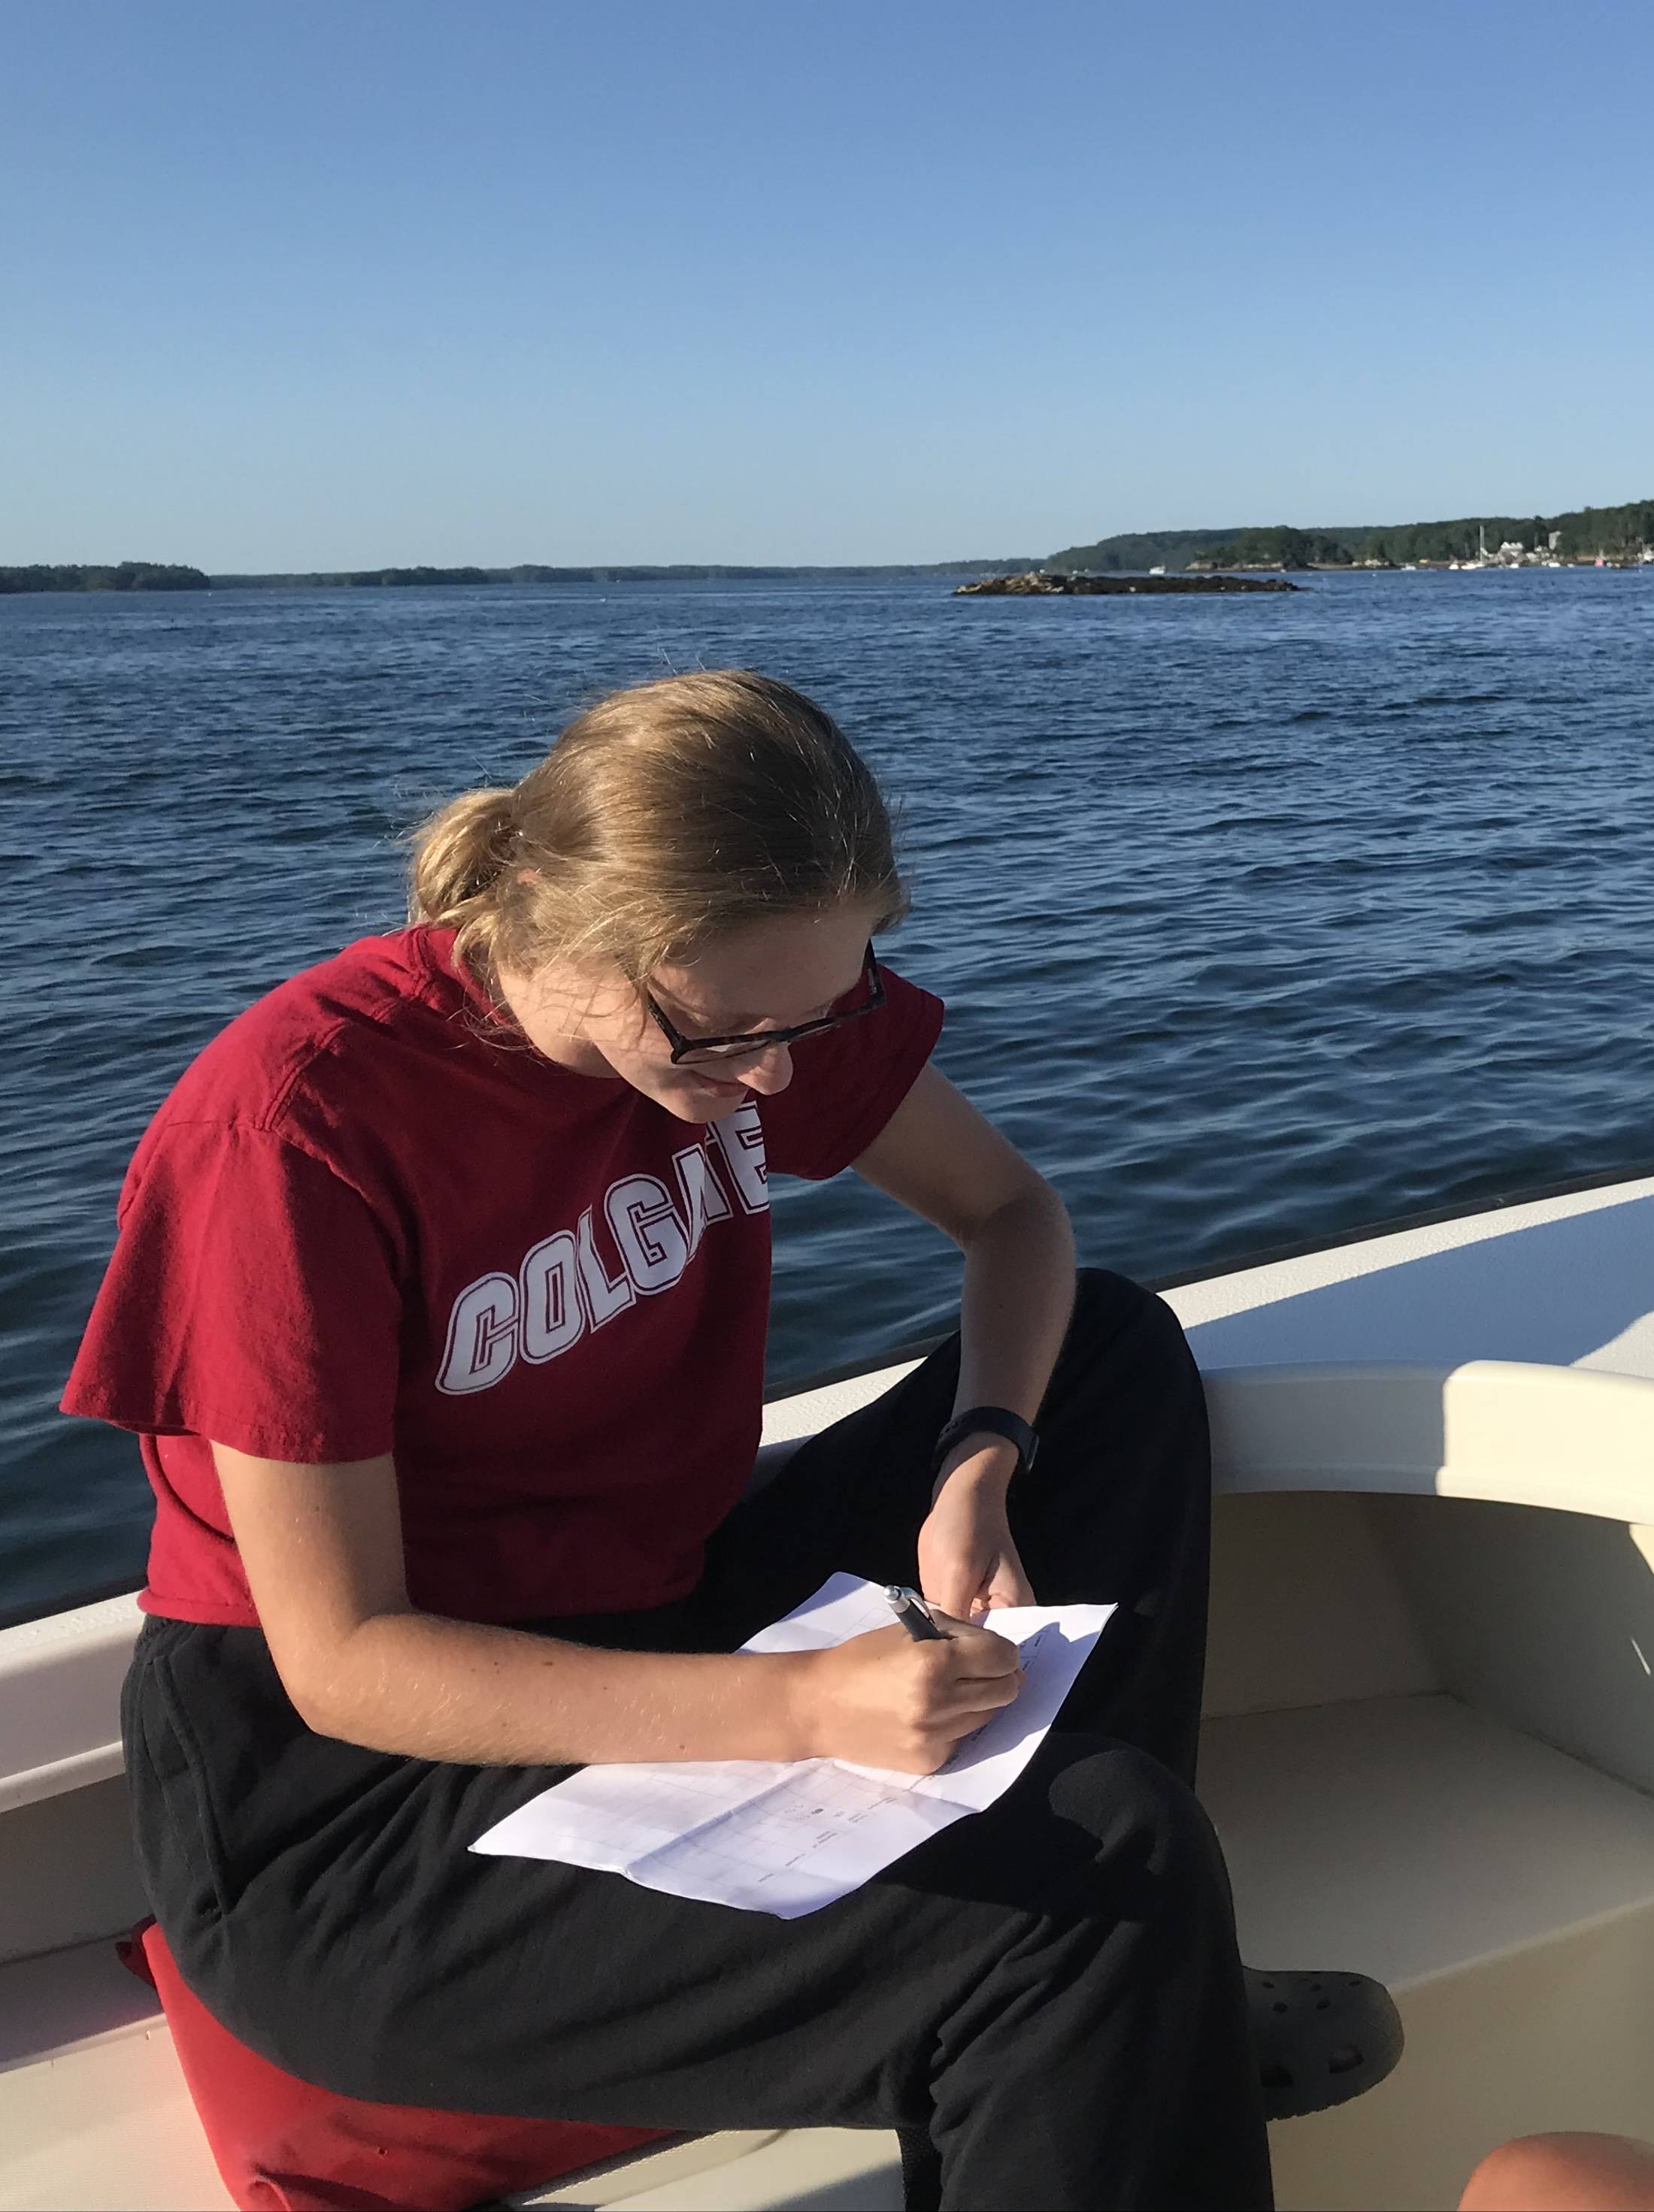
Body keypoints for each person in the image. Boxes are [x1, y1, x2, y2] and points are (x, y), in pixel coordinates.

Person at [62, 670, 1298, 2209]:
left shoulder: (757, 996)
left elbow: (1017, 1215)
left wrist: (978, 1468)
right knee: (1110, 1870)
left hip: (655, 1600)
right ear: (543, 910)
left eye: (819, 1014)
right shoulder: (301, 1124)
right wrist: (801, 1707)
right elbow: (347, 1657)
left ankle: (1113, 1988)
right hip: (355, 1814)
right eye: (718, 1036)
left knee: (1108, 1353)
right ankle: (1095, 1967)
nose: (772, 1079)